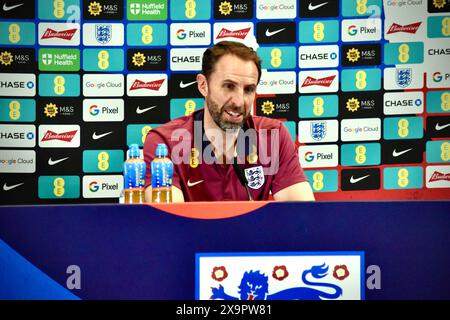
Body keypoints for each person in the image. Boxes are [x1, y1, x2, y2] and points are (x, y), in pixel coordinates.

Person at [143, 41, 315, 202]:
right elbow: (170, 221)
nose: (239, 102)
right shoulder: (164, 143)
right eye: (229, 86)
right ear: (203, 85)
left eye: (248, 89)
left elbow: (302, 217)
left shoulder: (273, 136)